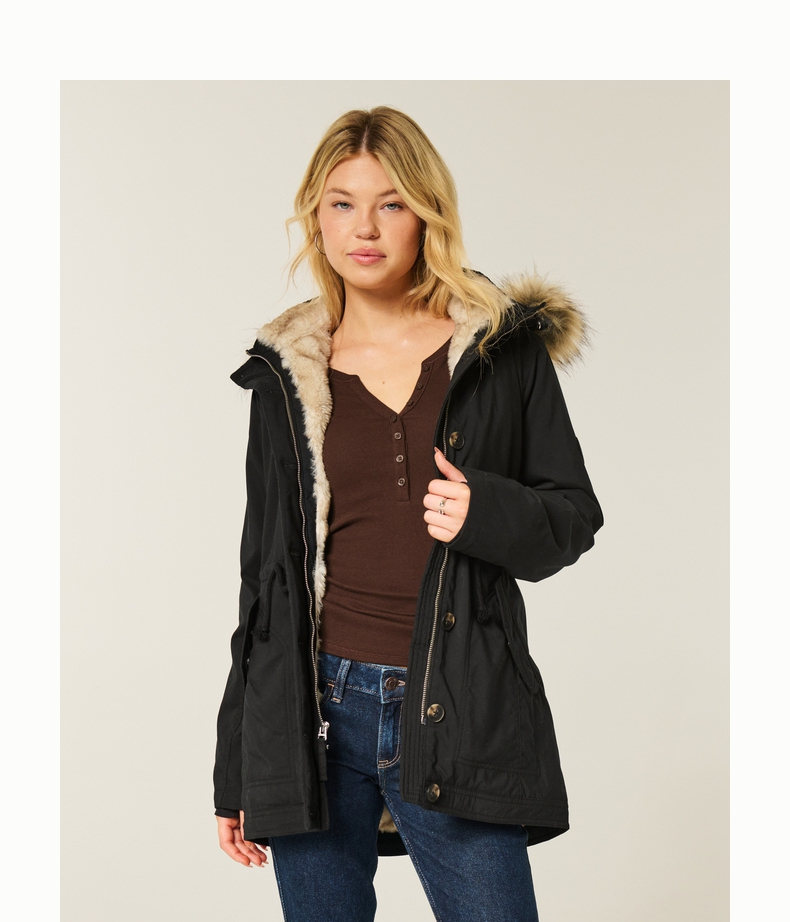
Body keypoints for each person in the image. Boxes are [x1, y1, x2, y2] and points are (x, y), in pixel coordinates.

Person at [213, 106, 603, 922]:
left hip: (459, 703)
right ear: (316, 218)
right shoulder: (284, 374)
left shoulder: (498, 350)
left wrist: (487, 509)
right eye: (342, 203)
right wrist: (239, 764)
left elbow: (572, 517)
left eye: (390, 203)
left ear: (427, 213)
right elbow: (265, 579)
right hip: (315, 714)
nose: (365, 228)